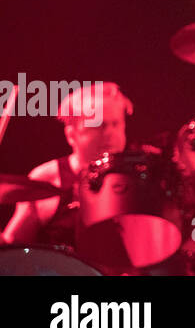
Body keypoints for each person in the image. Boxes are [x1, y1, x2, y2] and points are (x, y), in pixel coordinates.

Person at [1, 82, 132, 247]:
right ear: (71, 135)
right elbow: (14, 246)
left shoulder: (138, 175)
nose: (111, 134)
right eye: (99, 126)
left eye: (116, 124)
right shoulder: (47, 178)